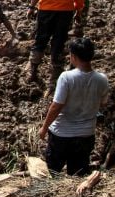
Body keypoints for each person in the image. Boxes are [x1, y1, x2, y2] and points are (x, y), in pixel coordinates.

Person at [38, 37, 109, 176]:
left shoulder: (66, 77)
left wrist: (44, 127)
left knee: (53, 171)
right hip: (86, 134)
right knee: (77, 173)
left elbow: (56, 106)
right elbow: (103, 103)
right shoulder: (102, 79)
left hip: (62, 134)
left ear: (74, 56)